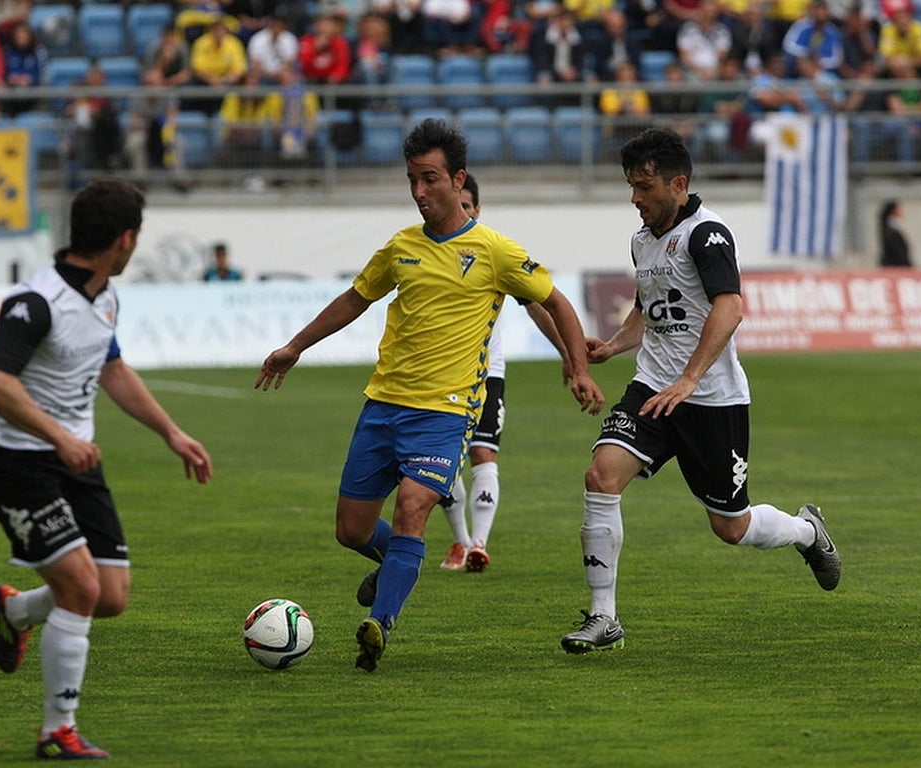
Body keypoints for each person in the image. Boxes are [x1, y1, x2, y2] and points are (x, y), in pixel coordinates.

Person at [256, 119, 605, 672]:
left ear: (457, 179)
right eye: (412, 181)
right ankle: (397, 562)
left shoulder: (494, 250)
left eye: (430, 180)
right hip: (383, 405)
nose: (420, 193)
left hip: (444, 413)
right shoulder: (401, 248)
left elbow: (557, 302)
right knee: (350, 529)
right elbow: (354, 299)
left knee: (415, 506)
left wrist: (578, 367)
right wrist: (294, 346)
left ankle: (380, 626)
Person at [559, 127, 841, 655]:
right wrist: (614, 346)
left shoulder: (708, 235)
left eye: (644, 188)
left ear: (678, 184)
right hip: (650, 390)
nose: (635, 199)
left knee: (730, 527)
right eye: (630, 187)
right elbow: (652, 307)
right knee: (601, 475)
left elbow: (728, 307)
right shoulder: (642, 240)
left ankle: (807, 532)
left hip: (712, 398)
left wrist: (689, 379)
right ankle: (604, 618)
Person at [0, 178, 213, 759]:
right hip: (18, 464)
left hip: (76, 462)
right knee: (81, 588)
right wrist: (59, 435)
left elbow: (112, 370)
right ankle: (58, 729)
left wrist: (171, 433)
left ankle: (16, 609)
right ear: (124, 239)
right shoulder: (35, 302)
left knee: (110, 596)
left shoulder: (104, 294)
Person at [439, 173, 573, 572]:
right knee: (443, 462)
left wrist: (567, 353)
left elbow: (537, 304)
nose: (460, 212)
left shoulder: (493, 252)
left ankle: (478, 543)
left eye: (466, 205)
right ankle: (461, 542)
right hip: (440, 377)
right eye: (455, 205)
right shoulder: (431, 251)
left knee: (483, 454)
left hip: (486, 374)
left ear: (477, 209)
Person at [878, 199, 912, 267]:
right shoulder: (890, 231)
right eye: (898, 209)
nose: (901, 212)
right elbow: (897, 252)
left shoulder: (893, 228)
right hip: (895, 266)